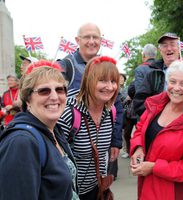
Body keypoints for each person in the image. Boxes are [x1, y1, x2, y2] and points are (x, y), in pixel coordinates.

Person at [0, 60, 79, 200]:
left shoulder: (54, 130)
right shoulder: (21, 142)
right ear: (28, 100)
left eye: (60, 89)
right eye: (44, 91)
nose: (54, 97)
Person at [58, 22, 123, 173]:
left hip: (99, 157)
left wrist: (116, 141)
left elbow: (117, 105)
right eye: (87, 37)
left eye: (96, 37)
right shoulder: (66, 65)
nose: (92, 41)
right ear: (77, 40)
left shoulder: (107, 66)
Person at [130, 60, 183, 200]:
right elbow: (139, 129)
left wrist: (154, 167)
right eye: (172, 82)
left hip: (173, 193)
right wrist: (138, 148)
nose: (176, 88)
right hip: (146, 186)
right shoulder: (155, 105)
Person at [58, 56, 120, 200]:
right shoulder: (68, 113)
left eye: (113, 81)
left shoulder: (111, 111)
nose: (110, 87)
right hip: (70, 194)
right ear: (89, 80)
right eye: (102, 80)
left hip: (96, 190)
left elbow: (102, 153)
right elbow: (56, 161)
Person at [133, 32, 180, 117]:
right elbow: (139, 102)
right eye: (164, 45)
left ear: (179, 48)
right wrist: (155, 119)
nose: (169, 48)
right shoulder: (153, 73)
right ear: (160, 51)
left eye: (172, 44)